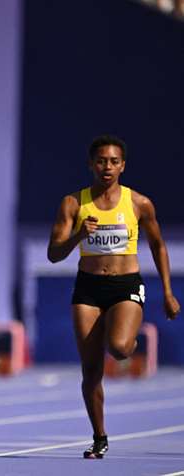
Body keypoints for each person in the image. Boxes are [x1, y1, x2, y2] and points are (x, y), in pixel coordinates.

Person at [47, 135, 180, 458]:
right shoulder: (73, 203)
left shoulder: (139, 203)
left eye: (113, 161)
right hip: (88, 288)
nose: (107, 167)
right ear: (91, 164)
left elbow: (158, 245)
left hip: (125, 286)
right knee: (91, 371)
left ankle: (129, 338)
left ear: (123, 166)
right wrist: (80, 234)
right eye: (101, 161)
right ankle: (99, 437)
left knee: (119, 349)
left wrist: (166, 290)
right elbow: (54, 254)